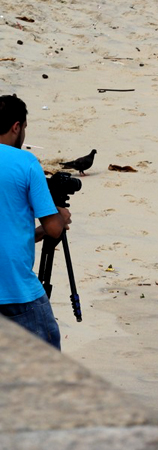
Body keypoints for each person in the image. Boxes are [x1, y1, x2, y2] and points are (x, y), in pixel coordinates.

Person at [0, 94, 71, 350]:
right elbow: (54, 229)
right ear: (16, 126)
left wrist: (36, 232)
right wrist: (61, 217)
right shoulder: (26, 162)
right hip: (16, 291)